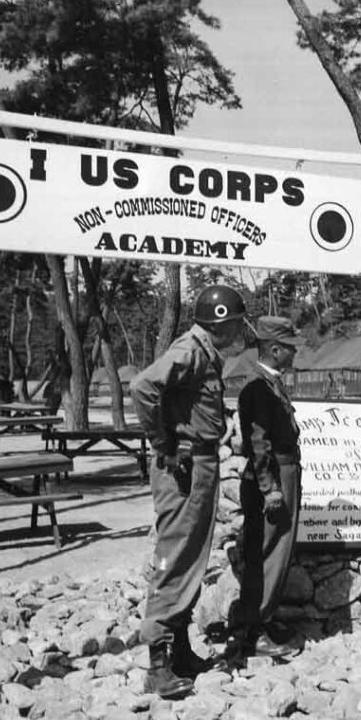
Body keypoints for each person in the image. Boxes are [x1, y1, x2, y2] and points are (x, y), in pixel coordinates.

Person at [131, 284, 246, 698]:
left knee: (193, 555)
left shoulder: (203, 352)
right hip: (184, 466)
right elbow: (143, 388)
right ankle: (158, 664)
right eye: (235, 323)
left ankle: (179, 650)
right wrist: (163, 444)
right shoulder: (190, 350)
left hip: (198, 462)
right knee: (176, 555)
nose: (238, 331)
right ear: (222, 323)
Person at [227, 316, 305, 663]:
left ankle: (263, 620)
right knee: (268, 555)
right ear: (275, 350)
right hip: (272, 477)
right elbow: (258, 444)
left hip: (281, 473)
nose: (294, 354)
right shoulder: (258, 387)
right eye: (290, 348)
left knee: (275, 552)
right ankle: (254, 632)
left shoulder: (269, 382)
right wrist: (270, 489)